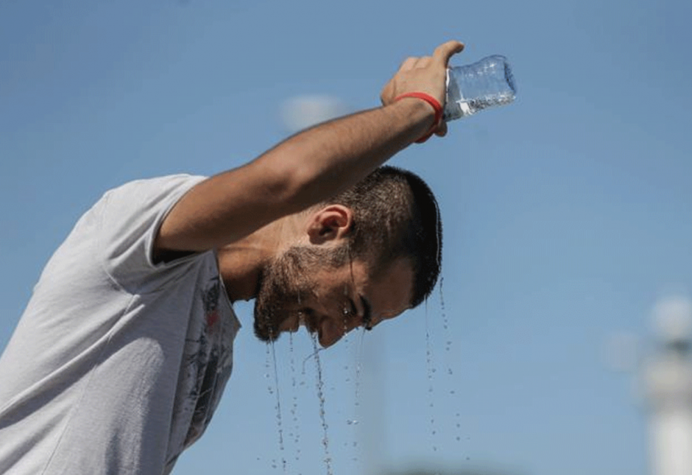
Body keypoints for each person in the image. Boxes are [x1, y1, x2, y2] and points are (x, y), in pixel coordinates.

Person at [0, 40, 465, 475]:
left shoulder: (217, 345)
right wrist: (416, 110)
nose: (328, 339)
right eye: (351, 306)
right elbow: (287, 179)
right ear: (328, 227)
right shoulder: (143, 238)